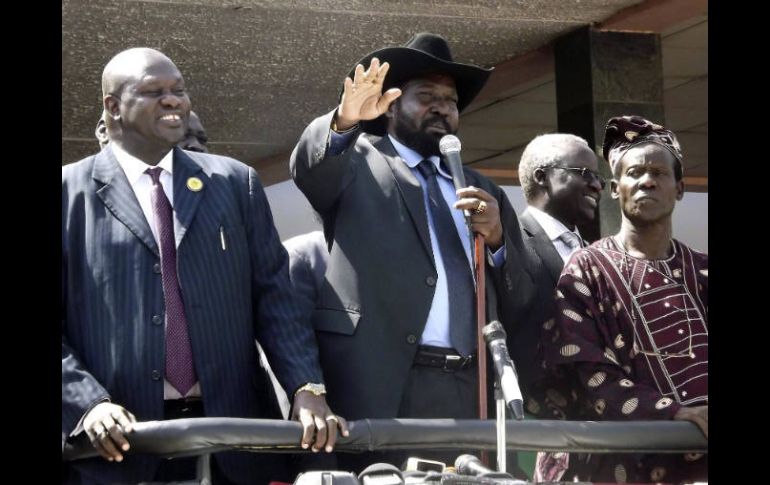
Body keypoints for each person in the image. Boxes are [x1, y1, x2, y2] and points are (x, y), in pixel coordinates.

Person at [62, 47, 347, 485]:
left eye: (179, 89)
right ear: (113, 107)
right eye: (154, 91)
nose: (173, 100)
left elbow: (277, 300)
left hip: (231, 441)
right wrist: (88, 404)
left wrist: (305, 387)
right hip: (117, 450)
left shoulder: (234, 183)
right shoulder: (69, 193)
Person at [290, 32, 538, 470]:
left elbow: (520, 295)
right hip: (379, 379)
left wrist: (498, 241)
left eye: (451, 100)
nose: (442, 106)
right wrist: (345, 120)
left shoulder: (480, 188)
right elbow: (310, 167)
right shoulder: (358, 160)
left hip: (467, 386)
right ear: (390, 105)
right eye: (427, 96)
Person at [532, 115, 707, 484]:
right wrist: (671, 412)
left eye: (659, 173)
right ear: (615, 188)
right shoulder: (586, 270)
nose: (647, 181)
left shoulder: (703, 271)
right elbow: (590, 374)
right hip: (623, 468)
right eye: (635, 173)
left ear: (679, 188)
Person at [508, 133, 604, 394]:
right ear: (542, 177)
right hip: (536, 415)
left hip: (599, 412)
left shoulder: (595, 255)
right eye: (584, 172)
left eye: (598, 177)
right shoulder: (508, 239)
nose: (597, 185)